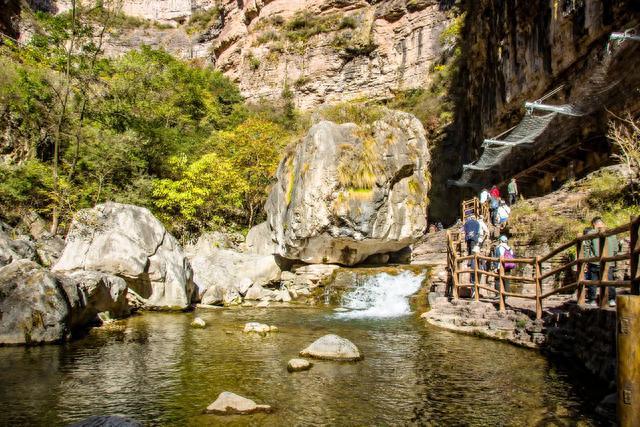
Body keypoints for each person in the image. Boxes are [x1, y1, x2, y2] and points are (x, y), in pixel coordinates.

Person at [583, 217, 618, 307]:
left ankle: (592, 300)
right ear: (602, 223)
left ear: (594, 224)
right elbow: (615, 248)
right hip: (608, 261)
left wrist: (586, 260)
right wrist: (612, 257)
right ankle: (611, 299)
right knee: (609, 280)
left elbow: (586, 248)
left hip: (594, 261)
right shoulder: (611, 232)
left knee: (593, 281)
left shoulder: (590, 233)